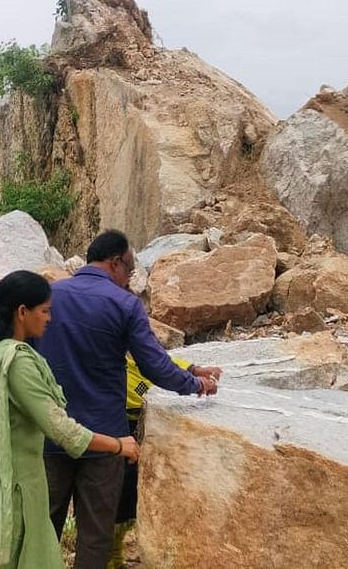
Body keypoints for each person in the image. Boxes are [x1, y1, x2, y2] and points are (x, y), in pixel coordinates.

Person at [36, 230, 219, 569]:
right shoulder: (124, 304)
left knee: (41, 529)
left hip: (49, 433)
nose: (130, 280)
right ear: (115, 262)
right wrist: (195, 384)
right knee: (95, 535)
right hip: (105, 440)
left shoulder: (50, 294)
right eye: (131, 271)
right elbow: (153, 365)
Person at [0, 270, 139, 569]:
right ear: (22, 312)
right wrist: (119, 445)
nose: (49, 319)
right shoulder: (17, 362)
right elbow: (63, 431)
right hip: (17, 489)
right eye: (44, 311)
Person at [106, 355, 220, 569]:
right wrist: (193, 381)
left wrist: (192, 369)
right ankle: (108, 555)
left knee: (128, 491)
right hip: (115, 418)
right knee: (114, 489)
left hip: (131, 414)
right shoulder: (113, 330)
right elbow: (153, 362)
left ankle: (115, 551)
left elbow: (153, 355)